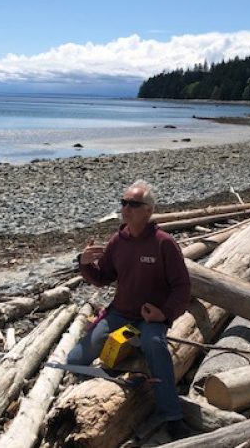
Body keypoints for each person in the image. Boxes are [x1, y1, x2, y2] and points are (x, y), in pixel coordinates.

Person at [67, 180, 193, 440]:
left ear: (148, 210)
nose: (126, 208)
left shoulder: (163, 243)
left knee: (154, 344)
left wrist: (165, 314)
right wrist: (85, 263)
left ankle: (172, 415)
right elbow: (103, 277)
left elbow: (182, 287)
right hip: (120, 314)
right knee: (74, 360)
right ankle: (96, 398)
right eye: (124, 203)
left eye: (133, 204)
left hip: (150, 317)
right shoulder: (118, 240)